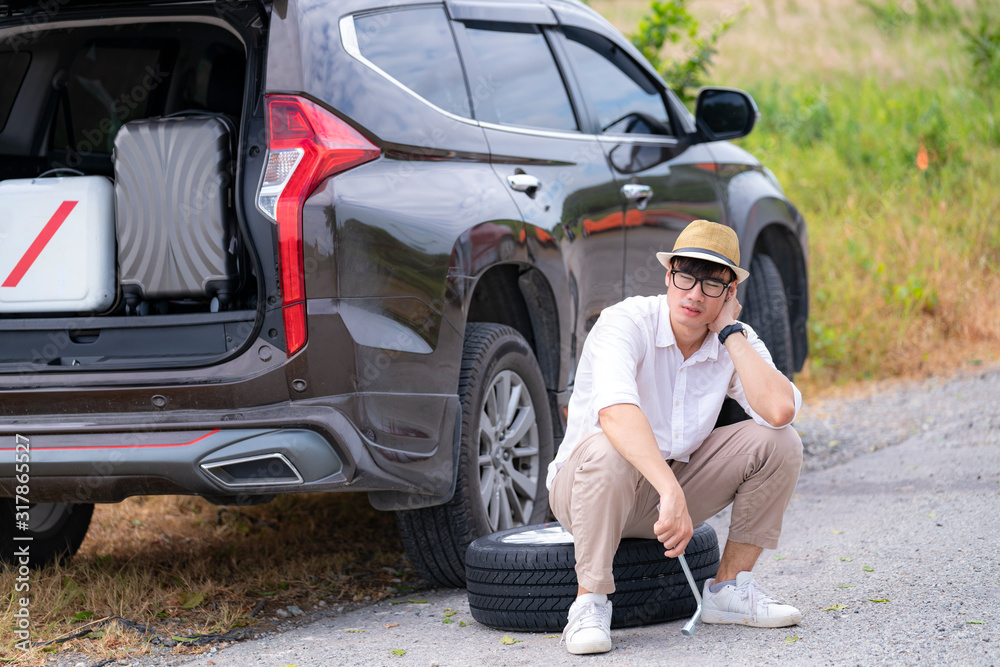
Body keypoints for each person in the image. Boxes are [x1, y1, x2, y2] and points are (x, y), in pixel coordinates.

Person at [546, 219, 804, 655]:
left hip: (671, 492)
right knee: (612, 447)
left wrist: (730, 334)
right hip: (591, 487)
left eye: (711, 284)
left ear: (729, 295)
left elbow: (780, 411)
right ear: (668, 276)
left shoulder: (733, 337)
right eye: (685, 276)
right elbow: (615, 412)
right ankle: (588, 604)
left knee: (780, 442)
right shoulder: (624, 322)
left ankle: (729, 592)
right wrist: (670, 489)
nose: (695, 294)